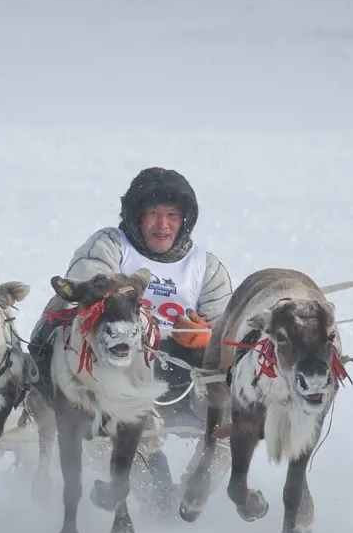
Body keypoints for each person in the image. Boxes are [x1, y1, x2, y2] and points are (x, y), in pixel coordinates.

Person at [30, 167, 233, 510]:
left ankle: (197, 486)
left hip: (182, 371)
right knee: (141, 455)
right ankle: (151, 491)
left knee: (231, 413)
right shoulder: (108, 247)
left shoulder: (205, 267)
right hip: (112, 366)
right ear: (136, 217)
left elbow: (226, 326)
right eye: (153, 214)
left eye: (172, 215)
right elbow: (90, 295)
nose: (163, 225)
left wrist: (208, 336)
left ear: (185, 220)